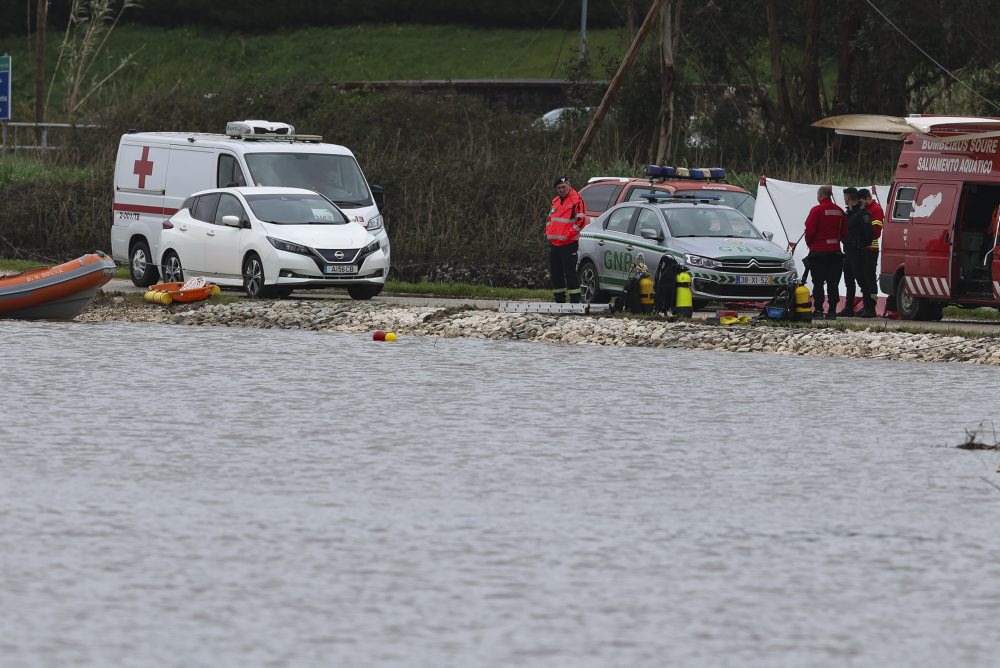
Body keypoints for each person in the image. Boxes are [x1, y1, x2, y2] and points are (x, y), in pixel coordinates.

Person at [804, 185, 847, 319]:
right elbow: (845, 233)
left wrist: (811, 244)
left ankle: (818, 310)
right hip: (835, 253)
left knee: (818, 283)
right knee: (833, 283)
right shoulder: (840, 211)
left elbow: (810, 230)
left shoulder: (816, 210)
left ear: (820, 196)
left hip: (818, 253)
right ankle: (832, 311)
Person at [545, 176, 587, 303]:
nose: (561, 190)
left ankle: (575, 299)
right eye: (559, 188)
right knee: (555, 272)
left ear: (569, 186)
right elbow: (550, 220)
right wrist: (547, 233)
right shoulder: (556, 201)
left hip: (569, 242)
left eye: (563, 187)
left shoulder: (577, 200)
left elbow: (580, 221)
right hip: (555, 243)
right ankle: (559, 298)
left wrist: (567, 235)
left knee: (570, 271)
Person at [844, 188, 876, 317]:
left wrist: (861, 245)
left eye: (845, 197)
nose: (844, 199)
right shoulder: (850, 213)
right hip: (849, 252)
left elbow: (869, 234)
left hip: (859, 252)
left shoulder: (863, 214)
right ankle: (848, 307)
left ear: (850, 198)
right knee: (849, 281)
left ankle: (869, 308)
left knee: (863, 281)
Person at [855, 188, 883, 315]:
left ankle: (871, 306)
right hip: (862, 249)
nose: (860, 204)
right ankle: (866, 304)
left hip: (871, 249)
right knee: (863, 278)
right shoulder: (864, 209)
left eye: (861, 201)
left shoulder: (876, 209)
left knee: (870, 278)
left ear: (867, 198)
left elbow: (876, 232)